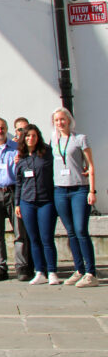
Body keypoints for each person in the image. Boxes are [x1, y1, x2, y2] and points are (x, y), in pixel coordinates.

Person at [51, 107, 98, 288]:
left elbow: (90, 166)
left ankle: (91, 273)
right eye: (56, 120)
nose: (60, 123)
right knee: (70, 232)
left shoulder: (80, 139)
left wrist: (92, 191)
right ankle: (79, 269)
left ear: (69, 120)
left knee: (80, 230)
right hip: (60, 190)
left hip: (79, 189)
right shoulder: (54, 140)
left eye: (62, 119)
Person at [0, 118, 30, 281]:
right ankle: (0, 267)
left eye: (2, 128)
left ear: (7, 129)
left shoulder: (17, 148)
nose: (0, 131)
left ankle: (21, 266)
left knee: (19, 232)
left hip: (13, 191)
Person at [15, 124, 59, 285]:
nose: (30, 138)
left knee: (47, 238)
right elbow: (18, 182)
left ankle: (52, 271)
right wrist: (17, 203)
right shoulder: (21, 158)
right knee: (33, 239)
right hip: (27, 202)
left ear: (38, 137)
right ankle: (39, 271)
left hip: (45, 201)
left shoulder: (47, 154)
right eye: (27, 136)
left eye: (33, 135)